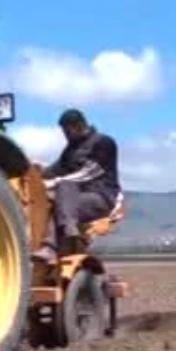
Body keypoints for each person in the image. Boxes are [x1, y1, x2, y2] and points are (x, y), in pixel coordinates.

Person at [33, 108, 122, 264]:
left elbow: (90, 173)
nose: (65, 135)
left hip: (100, 198)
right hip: (72, 199)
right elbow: (54, 170)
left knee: (64, 187)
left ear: (79, 125)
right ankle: (63, 236)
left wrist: (52, 183)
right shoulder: (70, 150)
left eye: (67, 131)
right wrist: (34, 174)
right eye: (63, 132)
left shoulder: (103, 143)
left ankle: (58, 242)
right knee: (56, 197)